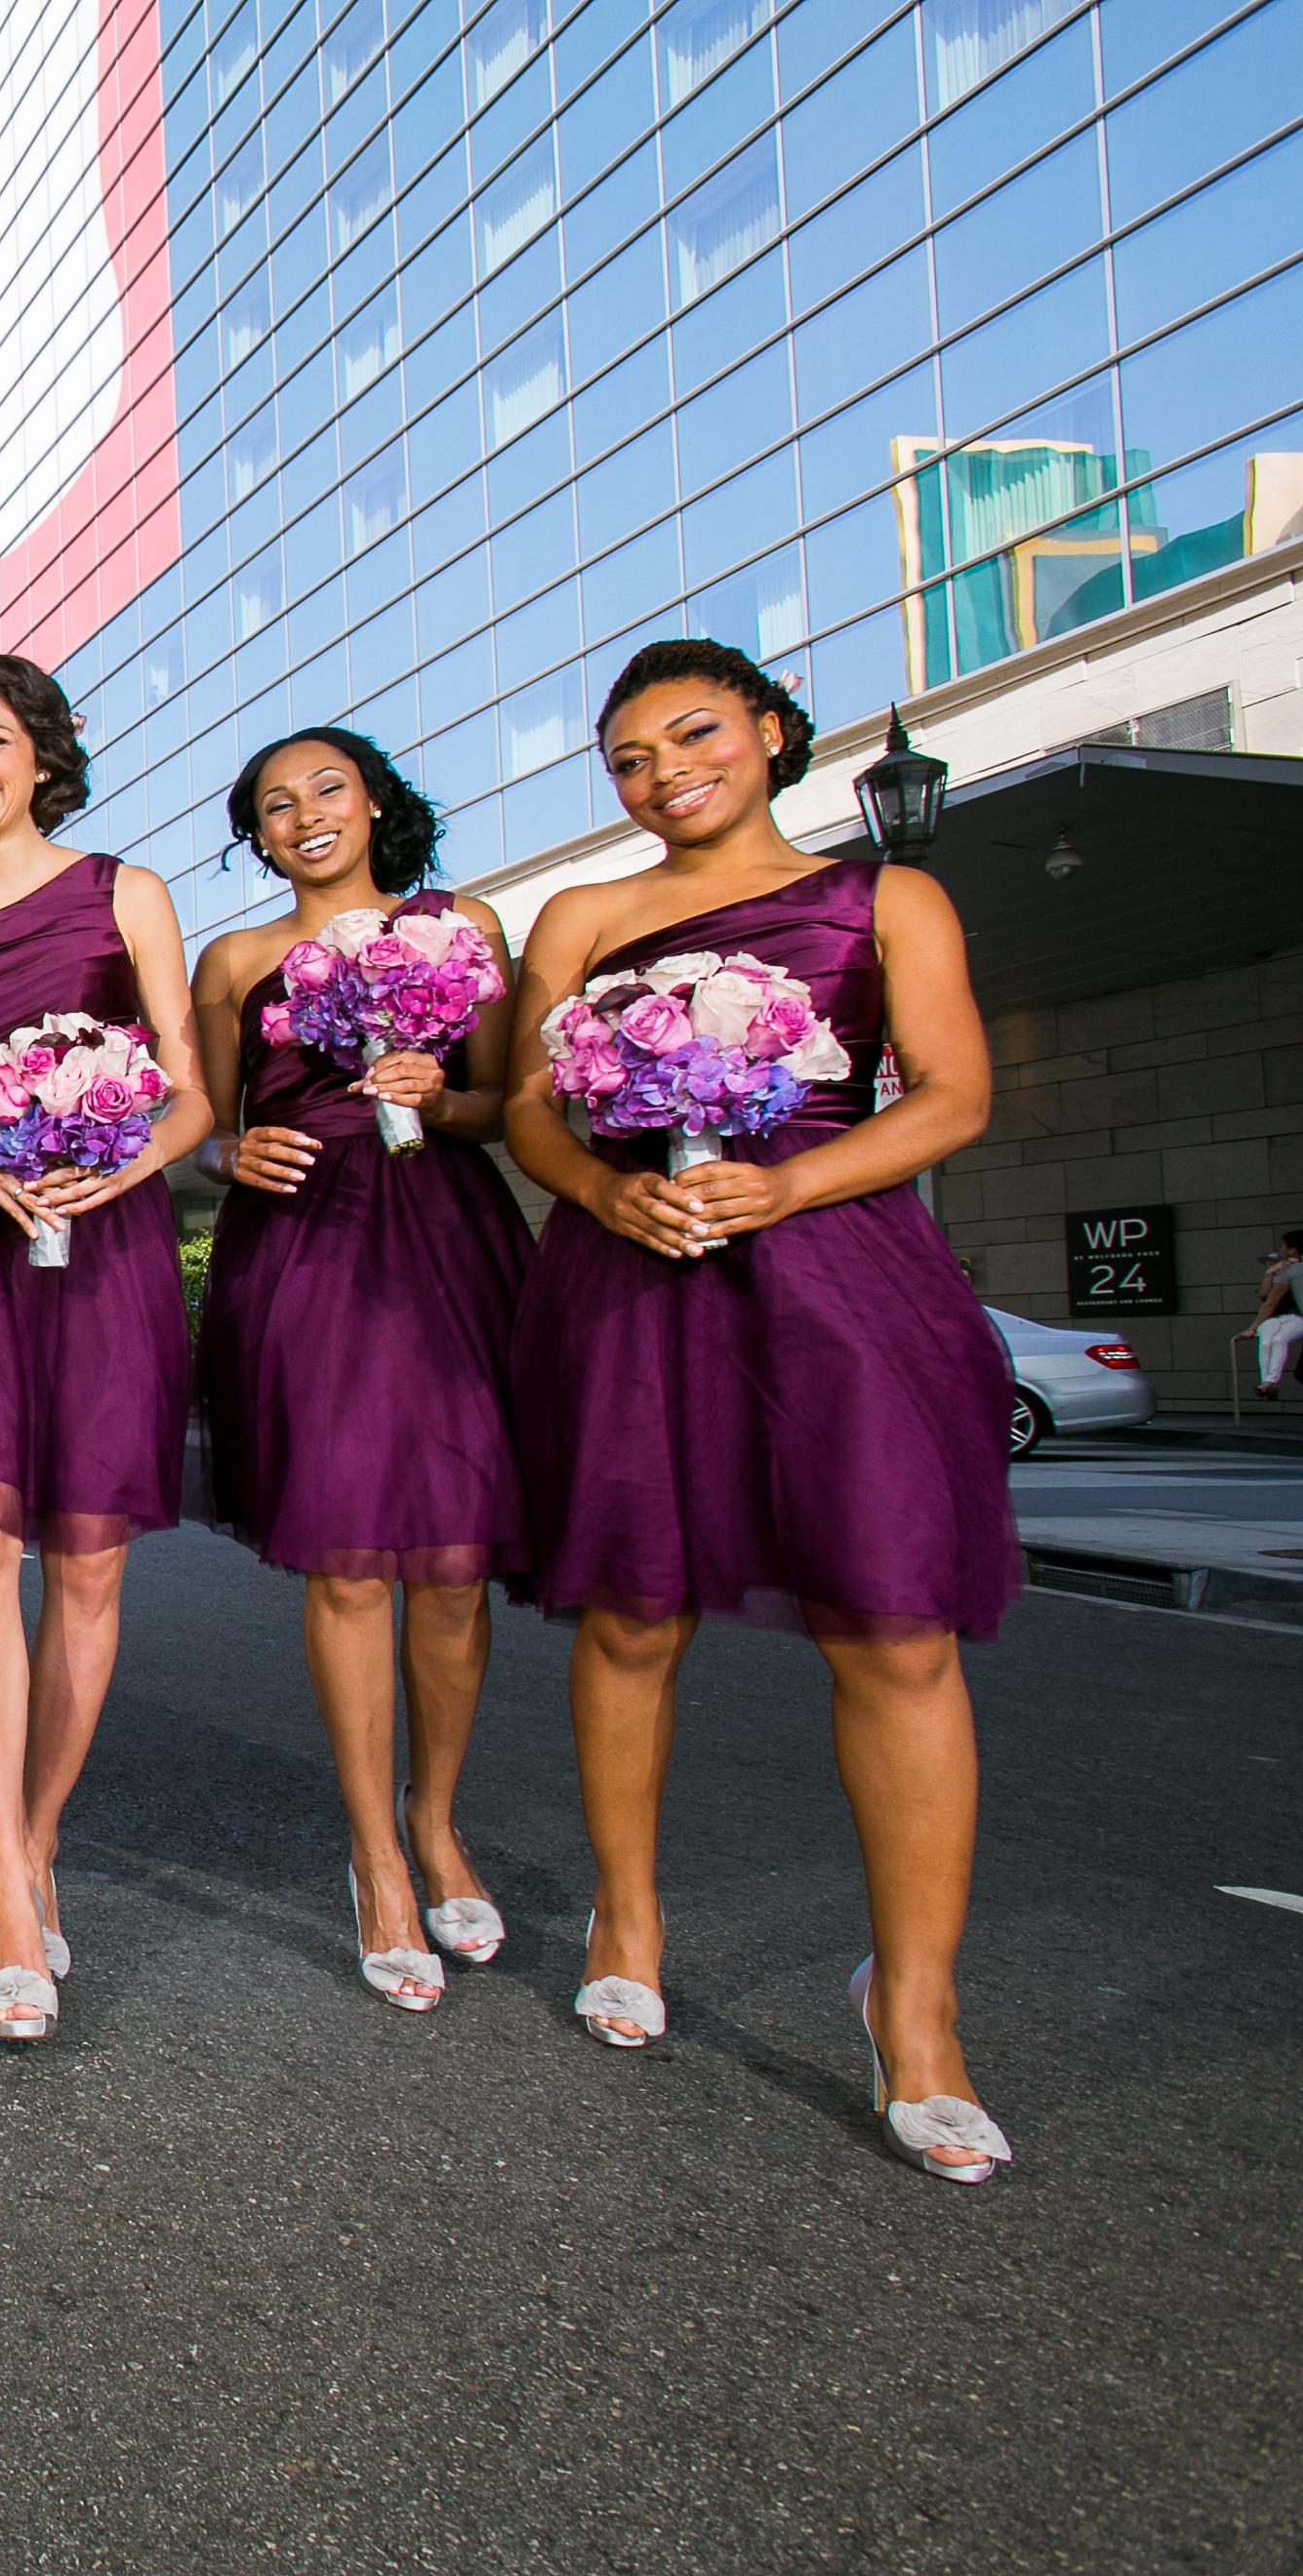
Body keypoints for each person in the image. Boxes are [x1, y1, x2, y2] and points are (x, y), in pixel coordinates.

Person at [506, 638, 1020, 2183]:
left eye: (695, 735)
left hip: (841, 1277)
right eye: (631, 757)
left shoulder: (888, 900)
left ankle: (913, 2009)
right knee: (632, 1611)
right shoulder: (585, 917)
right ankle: (627, 1912)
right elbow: (531, 1101)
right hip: (633, 1272)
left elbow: (950, 1093)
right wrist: (601, 1185)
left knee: (896, 1628)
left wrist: (789, 1177)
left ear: (773, 733)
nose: (665, 772)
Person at [0, 656, 206, 2042]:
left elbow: (191, 1097)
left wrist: (112, 1169)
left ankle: (40, 1830)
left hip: (105, 1245)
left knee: (85, 1559)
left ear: (44, 753)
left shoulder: (126, 892)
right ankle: (7, 1890)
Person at [188, 728, 529, 2015]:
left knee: (450, 1561)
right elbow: (200, 1132)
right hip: (304, 1248)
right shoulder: (234, 961)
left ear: (377, 802)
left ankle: (437, 1822)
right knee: (347, 1561)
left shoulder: (464, 924)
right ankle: (376, 1857)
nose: (305, 814)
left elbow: (515, 1103)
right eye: (275, 805)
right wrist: (230, 1156)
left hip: (445, 1238)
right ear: (259, 838)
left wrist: (442, 1100)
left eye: (327, 787)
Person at [1238, 1228, 1303, 1396]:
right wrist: (1269, 1274)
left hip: (1293, 1318)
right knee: (1268, 1342)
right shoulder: (1283, 1271)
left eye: (1284, 1247)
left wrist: (1252, 1327)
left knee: (1280, 1341)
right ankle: (1267, 1383)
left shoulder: (1288, 1271)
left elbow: (1269, 1301)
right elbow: (1264, 1296)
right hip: (1277, 1319)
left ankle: (1268, 1382)